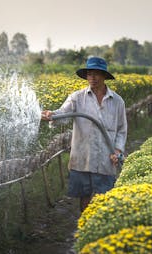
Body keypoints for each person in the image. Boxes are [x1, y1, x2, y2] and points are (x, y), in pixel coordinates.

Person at [41, 56, 127, 212]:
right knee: (84, 197)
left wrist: (118, 151)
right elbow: (62, 114)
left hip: (107, 156)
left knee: (105, 199)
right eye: (89, 74)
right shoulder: (77, 98)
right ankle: (85, 227)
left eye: (96, 74)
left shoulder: (117, 101)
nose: (92, 78)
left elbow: (121, 130)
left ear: (104, 76)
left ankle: (102, 229)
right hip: (83, 156)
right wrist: (51, 114)